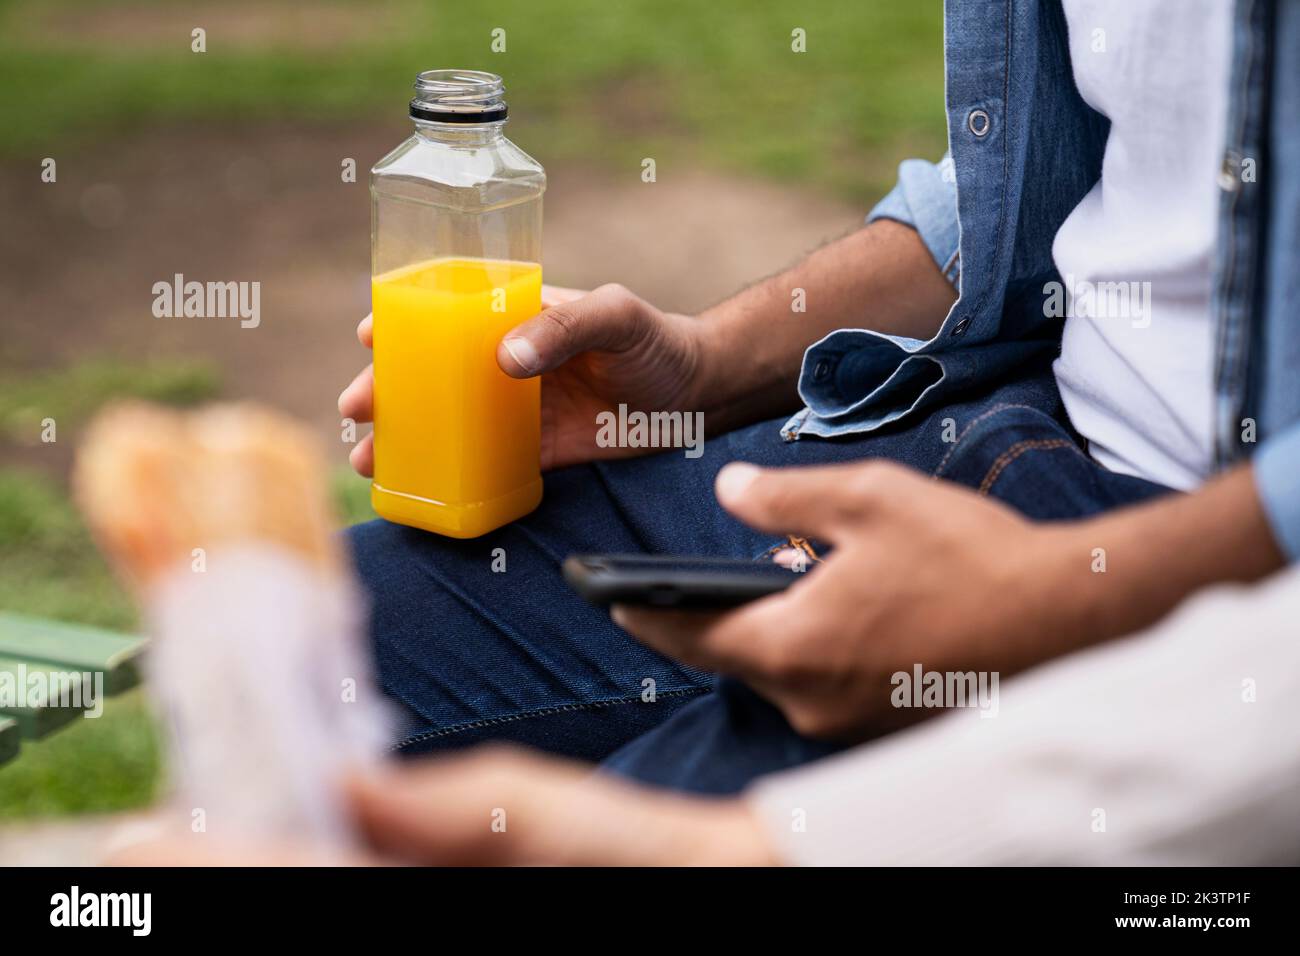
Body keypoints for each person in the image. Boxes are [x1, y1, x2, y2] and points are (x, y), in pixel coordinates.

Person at [335, 0, 1299, 802]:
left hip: (1233, 575)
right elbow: (1039, 186)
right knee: (325, 632)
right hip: (1031, 436)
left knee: (615, 826)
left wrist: (1054, 597)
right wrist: (704, 368)